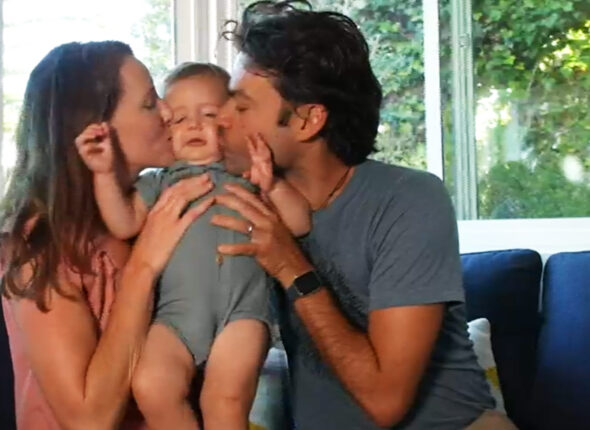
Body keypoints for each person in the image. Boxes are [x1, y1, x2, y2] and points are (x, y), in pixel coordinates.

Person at [210, 1, 518, 429]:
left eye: (242, 107)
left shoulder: (408, 199)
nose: (220, 118)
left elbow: (385, 402)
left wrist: (290, 265)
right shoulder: (242, 202)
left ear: (308, 120)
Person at [0, 41, 215, 430]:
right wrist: (143, 268)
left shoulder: (151, 209)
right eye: (149, 103)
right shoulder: (39, 245)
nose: (168, 112)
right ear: (95, 129)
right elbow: (88, 420)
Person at [76, 61, 310, 430]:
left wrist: (273, 186)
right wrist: (103, 174)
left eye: (209, 114)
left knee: (224, 400)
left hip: (243, 312)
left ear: (231, 122)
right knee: (151, 386)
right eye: (179, 119)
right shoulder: (160, 182)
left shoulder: (248, 173)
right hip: (176, 317)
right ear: (167, 132)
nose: (194, 126)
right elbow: (123, 222)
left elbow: (299, 223)